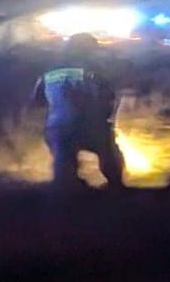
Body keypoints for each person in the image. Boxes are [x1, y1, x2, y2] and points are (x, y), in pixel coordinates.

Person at [31, 34, 125, 188]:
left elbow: (37, 101)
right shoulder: (92, 71)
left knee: (63, 169)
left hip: (57, 127)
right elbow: (108, 96)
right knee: (110, 159)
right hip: (89, 125)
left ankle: (62, 202)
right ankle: (117, 194)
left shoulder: (48, 73)